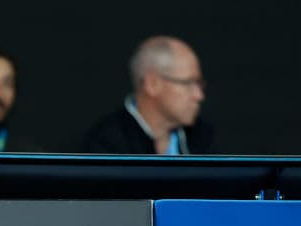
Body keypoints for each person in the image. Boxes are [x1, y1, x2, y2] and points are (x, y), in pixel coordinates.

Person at [81, 36, 214, 155]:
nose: (199, 95)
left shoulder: (202, 138)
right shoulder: (106, 144)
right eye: (188, 83)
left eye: (199, 84)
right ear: (152, 84)